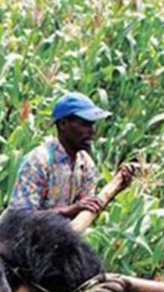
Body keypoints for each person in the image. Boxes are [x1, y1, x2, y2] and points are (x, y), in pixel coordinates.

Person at [9, 91, 137, 218]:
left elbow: (86, 212)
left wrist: (117, 186)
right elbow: (20, 217)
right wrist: (69, 210)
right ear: (64, 124)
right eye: (85, 125)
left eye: (92, 125)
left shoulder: (85, 164)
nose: (92, 132)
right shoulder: (39, 161)